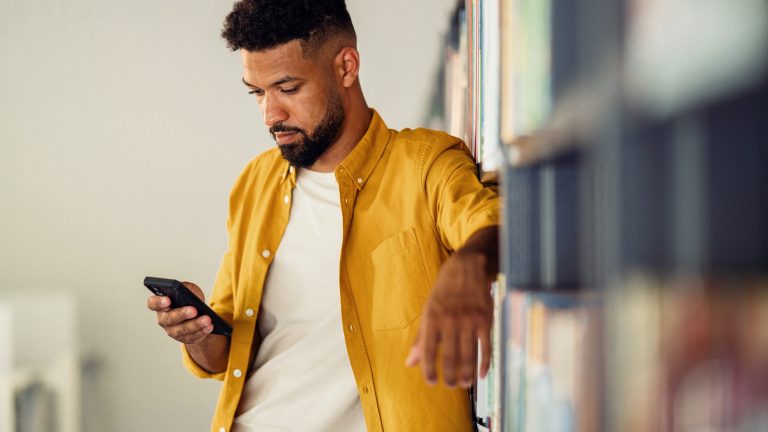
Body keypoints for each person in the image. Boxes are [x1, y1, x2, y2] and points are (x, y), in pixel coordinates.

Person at [146, 1, 500, 431]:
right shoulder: (255, 182)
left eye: (288, 88)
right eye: (257, 92)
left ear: (346, 67)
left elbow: (496, 223)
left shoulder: (424, 164)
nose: (270, 114)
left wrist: (471, 264)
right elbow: (226, 353)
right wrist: (197, 334)